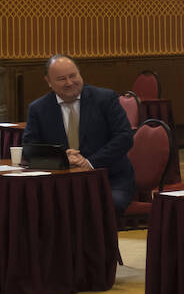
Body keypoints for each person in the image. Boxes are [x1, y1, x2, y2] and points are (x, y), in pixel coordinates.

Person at [23, 55, 136, 211]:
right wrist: (62, 159)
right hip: (60, 184)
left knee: (103, 205)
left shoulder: (105, 99)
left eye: (73, 76)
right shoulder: (38, 109)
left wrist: (89, 163)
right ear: (48, 81)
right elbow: (30, 151)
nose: (69, 83)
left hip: (109, 179)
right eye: (62, 79)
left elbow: (124, 138)